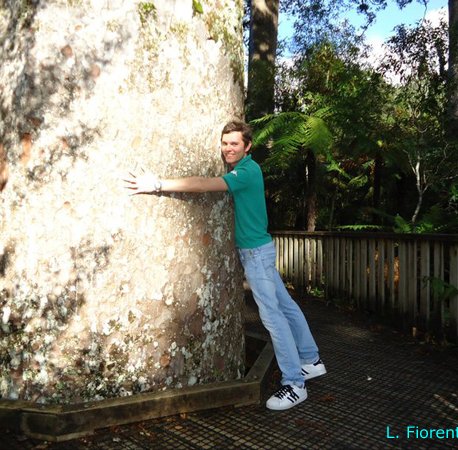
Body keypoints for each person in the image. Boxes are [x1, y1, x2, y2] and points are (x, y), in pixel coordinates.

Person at [124, 120, 326, 410]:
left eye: (234, 143)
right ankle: (311, 360)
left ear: (248, 146)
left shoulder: (245, 171)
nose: (228, 148)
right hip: (262, 251)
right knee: (286, 306)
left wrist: (157, 184)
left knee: (273, 317)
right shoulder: (245, 169)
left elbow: (203, 185)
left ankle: (295, 383)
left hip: (257, 254)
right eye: (224, 143)